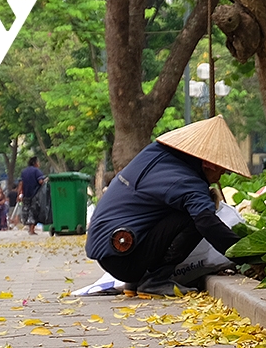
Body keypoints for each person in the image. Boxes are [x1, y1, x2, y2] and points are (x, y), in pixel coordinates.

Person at [86, 115, 250, 290]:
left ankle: (139, 281)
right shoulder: (188, 182)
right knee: (197, 217)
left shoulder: (156, 156)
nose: (220, 176)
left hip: (111, 254)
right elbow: (208, 224)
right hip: (123, 255)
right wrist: (248, 254)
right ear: (209, 164)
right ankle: (156, 280)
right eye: (222, 170)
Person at [18, 156, 46, 235]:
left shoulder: (24, 171)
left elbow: (21, 183)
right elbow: (40, 181)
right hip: (35, 194)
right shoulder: (37, 171)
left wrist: (19, 194)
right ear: (35, 163)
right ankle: (31, 229)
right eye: (38, 162)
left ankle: (29, 227)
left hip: (26, 194)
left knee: (26, 210)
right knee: (34, 211)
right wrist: (45, 181)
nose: (39, 164)